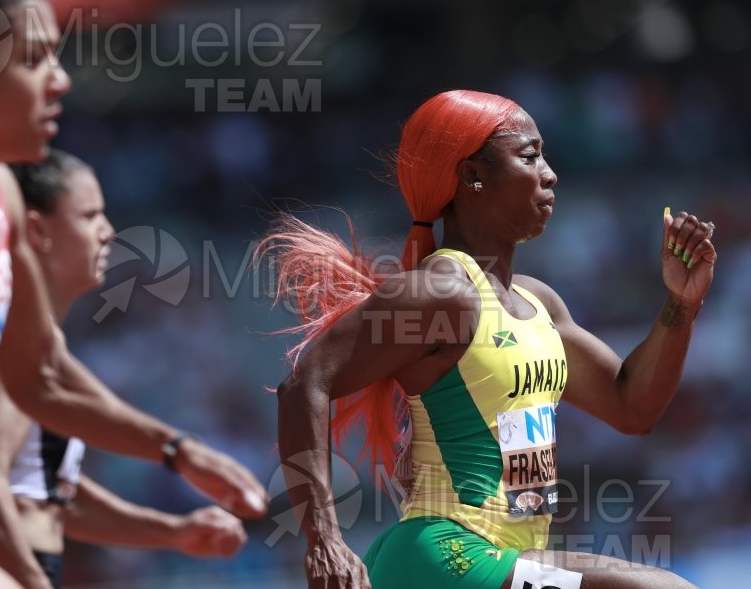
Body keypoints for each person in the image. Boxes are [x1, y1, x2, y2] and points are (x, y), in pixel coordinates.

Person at [0, 0, 266, 587]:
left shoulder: (1, 197)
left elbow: (40, 377)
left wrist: (178, 451)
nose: (62, 81)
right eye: (35, 58)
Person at [261, 89, 714, 588]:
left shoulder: (540, 304)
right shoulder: (442, 293)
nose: (550, 173)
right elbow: (305, 385)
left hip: (509, 553)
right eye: (530, 155)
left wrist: (681, 304)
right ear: (473, 175)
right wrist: (324, 539)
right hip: (448, 552)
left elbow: (633, 406)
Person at [0, 150, 248, 589]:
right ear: (37, 230)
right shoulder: (13, 337)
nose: (108, 233)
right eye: (90, 216)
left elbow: (52, 495)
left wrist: (173, 532)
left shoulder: (44, 339)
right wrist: (30, 580)